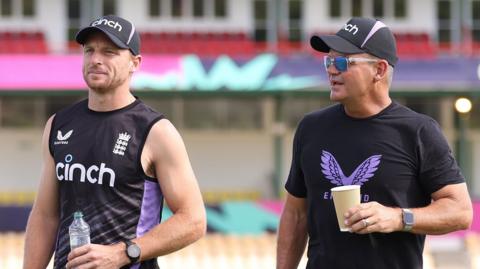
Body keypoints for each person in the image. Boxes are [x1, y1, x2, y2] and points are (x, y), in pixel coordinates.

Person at [276, 17, 473, 269]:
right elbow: (295, 214)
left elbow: (461, 212)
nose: (331, 70)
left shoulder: (418, 131)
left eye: (342, 62)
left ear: (379, 70)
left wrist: (399, 218)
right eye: (329, 60)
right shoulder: (310, 128)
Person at [23, 15, 206, 269]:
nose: (96, 59)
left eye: (109, 52)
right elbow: (45, 216)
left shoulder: (156, 131)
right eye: (89, 51)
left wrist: (123, 252)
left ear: (135, 63)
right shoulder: (58, 125)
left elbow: (193, 220)